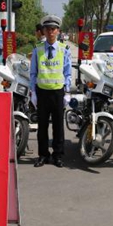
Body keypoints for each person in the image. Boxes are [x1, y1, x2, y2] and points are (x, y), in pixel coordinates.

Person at [29, 15, 72, 168]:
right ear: (44, 31)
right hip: (42, 92)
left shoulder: (64, 50)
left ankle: (58, 155)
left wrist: (67, 92)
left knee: (58, 126)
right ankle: (43, 155)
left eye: (53, 29)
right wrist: (33, 92)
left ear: (58, 31)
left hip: (58, 92)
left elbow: (68, 73)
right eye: (47, 29)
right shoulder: (38, 49)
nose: (50, 32)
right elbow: (33, 73)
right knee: (42, 126)